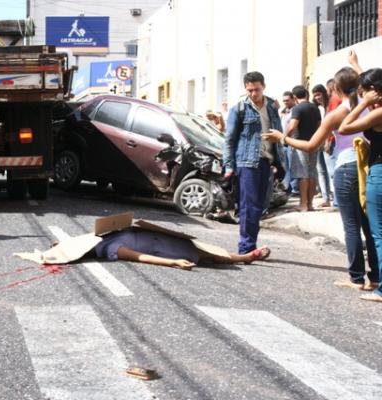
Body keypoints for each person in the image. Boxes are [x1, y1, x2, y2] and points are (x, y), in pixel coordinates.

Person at [263, 66, 379, 293]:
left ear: (335, 89)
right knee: (370, 226)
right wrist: (357, 66)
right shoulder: (372, 106)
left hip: (346, 169)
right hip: (367, 168)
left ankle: (356, 278)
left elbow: (310, 145)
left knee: (351, 226)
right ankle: (375, 277)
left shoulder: (339, 114)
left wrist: (282, 138)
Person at [223, 71, 284, 256]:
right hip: (246, 162)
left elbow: (278, 134)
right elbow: (229, 139)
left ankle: (250, 244)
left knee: (261, 205)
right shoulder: (239, 109)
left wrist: (279, 162)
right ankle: (246, 247)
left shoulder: (272, 107)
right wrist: (229, 165)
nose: (253, 94)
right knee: (248, 205)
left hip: (266, 161)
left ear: (263, 86)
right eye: (249, 90)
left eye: (256, 89)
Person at [338, 68, 382, 303]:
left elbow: (344, 127)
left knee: (379, 234)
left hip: (379, 172)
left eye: (367, 91)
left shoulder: (378, 114)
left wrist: (362, 103)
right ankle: (377, 280)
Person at [93, 228, 270, 270]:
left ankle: (243, 257)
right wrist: (173, 262)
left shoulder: (109, 234)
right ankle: (244, 257)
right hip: (164, 249)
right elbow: (139, 257)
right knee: (205, 254)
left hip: (164, 239)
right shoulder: (111, 247)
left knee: (204, 251)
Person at [286, 85, 321, 211]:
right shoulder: (315, 108)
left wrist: (285, 138)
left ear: (294, 97)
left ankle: (303, 204)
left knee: (303, 174)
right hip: (314, 143)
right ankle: (310, 204)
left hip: (300, 143)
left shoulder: (297, 108)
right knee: (312, 173)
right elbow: (319, 126)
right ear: (306, 94)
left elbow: (292, 126)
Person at [312, 84, 334, 207]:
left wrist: (327, 141)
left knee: (331, 171)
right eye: (315, 96)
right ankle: (326, 197)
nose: (317, 98)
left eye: (319, 94)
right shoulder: (318, 108)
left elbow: (330, 127)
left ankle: (334, 198)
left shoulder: (330, 106)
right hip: (319, 143)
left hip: (327, 142)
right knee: (320, 171)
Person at [280, 91, 299, 195]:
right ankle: (288, 188)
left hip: (291, 141)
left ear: (293, 99)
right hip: (284, 142)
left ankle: (295, 189)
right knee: (286, 166)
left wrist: (285, 137)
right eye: (284, 101)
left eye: (287, 100)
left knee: (292, 166)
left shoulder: (295, 111)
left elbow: (292, 127)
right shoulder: (285, 111)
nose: (285, 102)